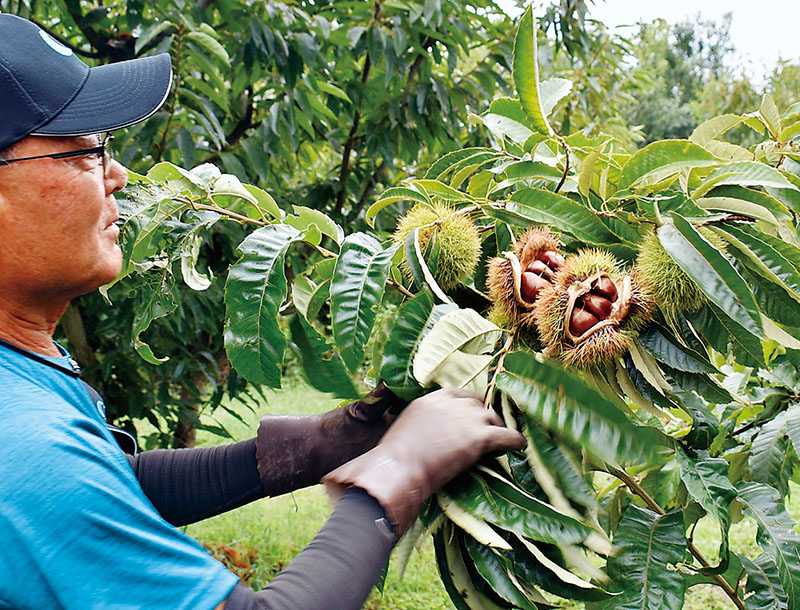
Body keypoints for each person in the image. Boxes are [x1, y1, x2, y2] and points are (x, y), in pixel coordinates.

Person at [0, 13, 526, 610]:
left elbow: (108, 482)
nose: (118, 174)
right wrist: (394, 478)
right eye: (83, 150)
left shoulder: (21, 376)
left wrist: (326, 441)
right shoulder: (20, 449)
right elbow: (54, 484)